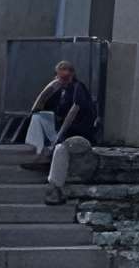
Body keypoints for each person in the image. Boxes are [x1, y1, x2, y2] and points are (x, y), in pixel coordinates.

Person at [20, 60, 97, 205]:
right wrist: (49, 88)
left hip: (77, 134)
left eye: (66, 76)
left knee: (60, 149)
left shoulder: (77, 87)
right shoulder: (61, 91)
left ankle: (55, 188)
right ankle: (39, 155)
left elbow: (74, 111)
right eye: (60, 77)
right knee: (37, 118)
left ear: (72, 75)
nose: (63, 80)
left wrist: (59, 136)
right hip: (61, 132)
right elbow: (36, 108)